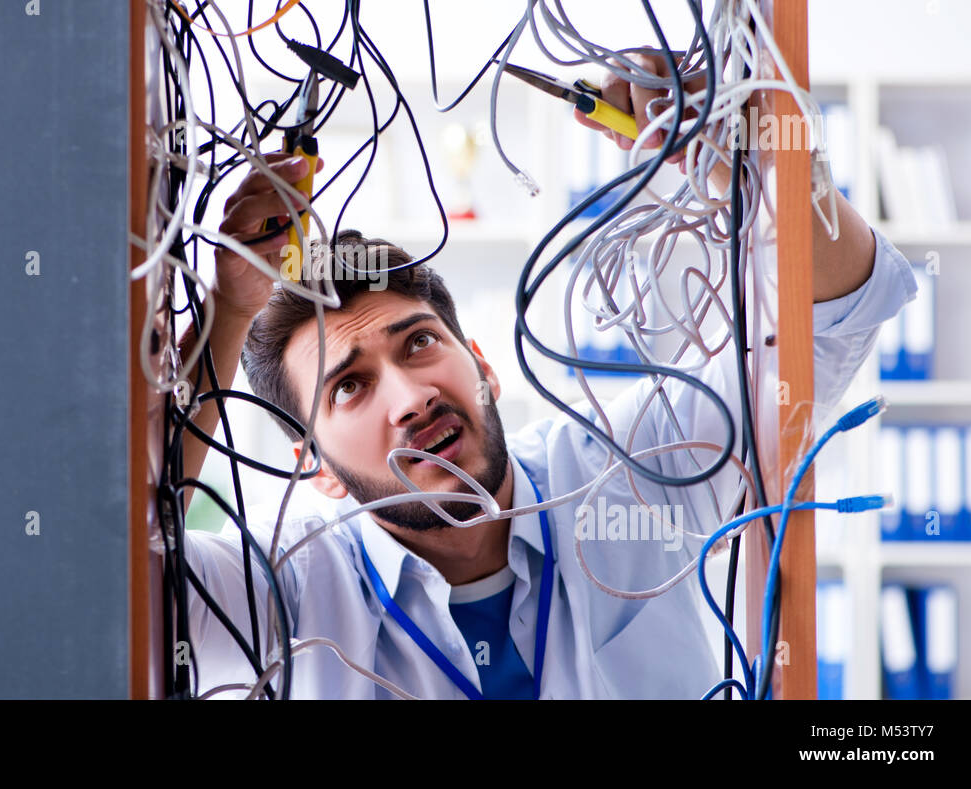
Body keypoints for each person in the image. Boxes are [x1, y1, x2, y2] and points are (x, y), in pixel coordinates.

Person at [174, 60, 918, 699]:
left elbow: (840, 311)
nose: (411, 397)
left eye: (421, 342)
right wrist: (225, 311)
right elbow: (114, 569)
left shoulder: (626, 470)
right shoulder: (283, 591)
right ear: (315, 465)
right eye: (350, 387)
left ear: (482, 365)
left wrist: (756, 168)